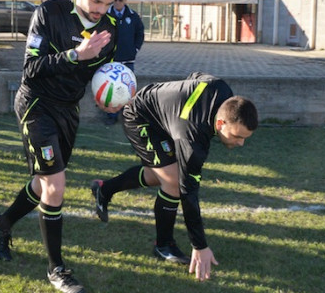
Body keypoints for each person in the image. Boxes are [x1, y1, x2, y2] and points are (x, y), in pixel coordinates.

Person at [0, 0, 121, 293]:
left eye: (108, 3)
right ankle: (56, 269)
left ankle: (1, 224)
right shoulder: (50, 13)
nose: (100, 10)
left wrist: (107, 97)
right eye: (95, 1)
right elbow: (31, 68)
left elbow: (101, 73)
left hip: (68, 110)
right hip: (37, 104)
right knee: (55, 185)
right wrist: (75, 55)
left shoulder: (110, 28)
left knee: (43, 182)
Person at [90, 73, 258, 281]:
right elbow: (188, 192)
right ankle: (163, 245)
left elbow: (197, 77)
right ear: (220, 122)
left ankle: (103, 189)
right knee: (173, 182)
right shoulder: (192, 138)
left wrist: (174, 108)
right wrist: (200, 245)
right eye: (237, 136)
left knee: (157, 174)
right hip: (140, 118)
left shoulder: (224, 92)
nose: (240, 143)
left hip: (167, 118)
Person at [105, 0, 144, 124]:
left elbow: (140, 33)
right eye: (115, 0)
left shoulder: (133, 16)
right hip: (111, 60)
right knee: (110, 89)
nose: (117, 2)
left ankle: (126, 116)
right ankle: (111, 116)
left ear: (125, 1)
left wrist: (135, 49)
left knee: (127, 89)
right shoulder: (105, 15)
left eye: (120, 0)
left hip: (128, 60)